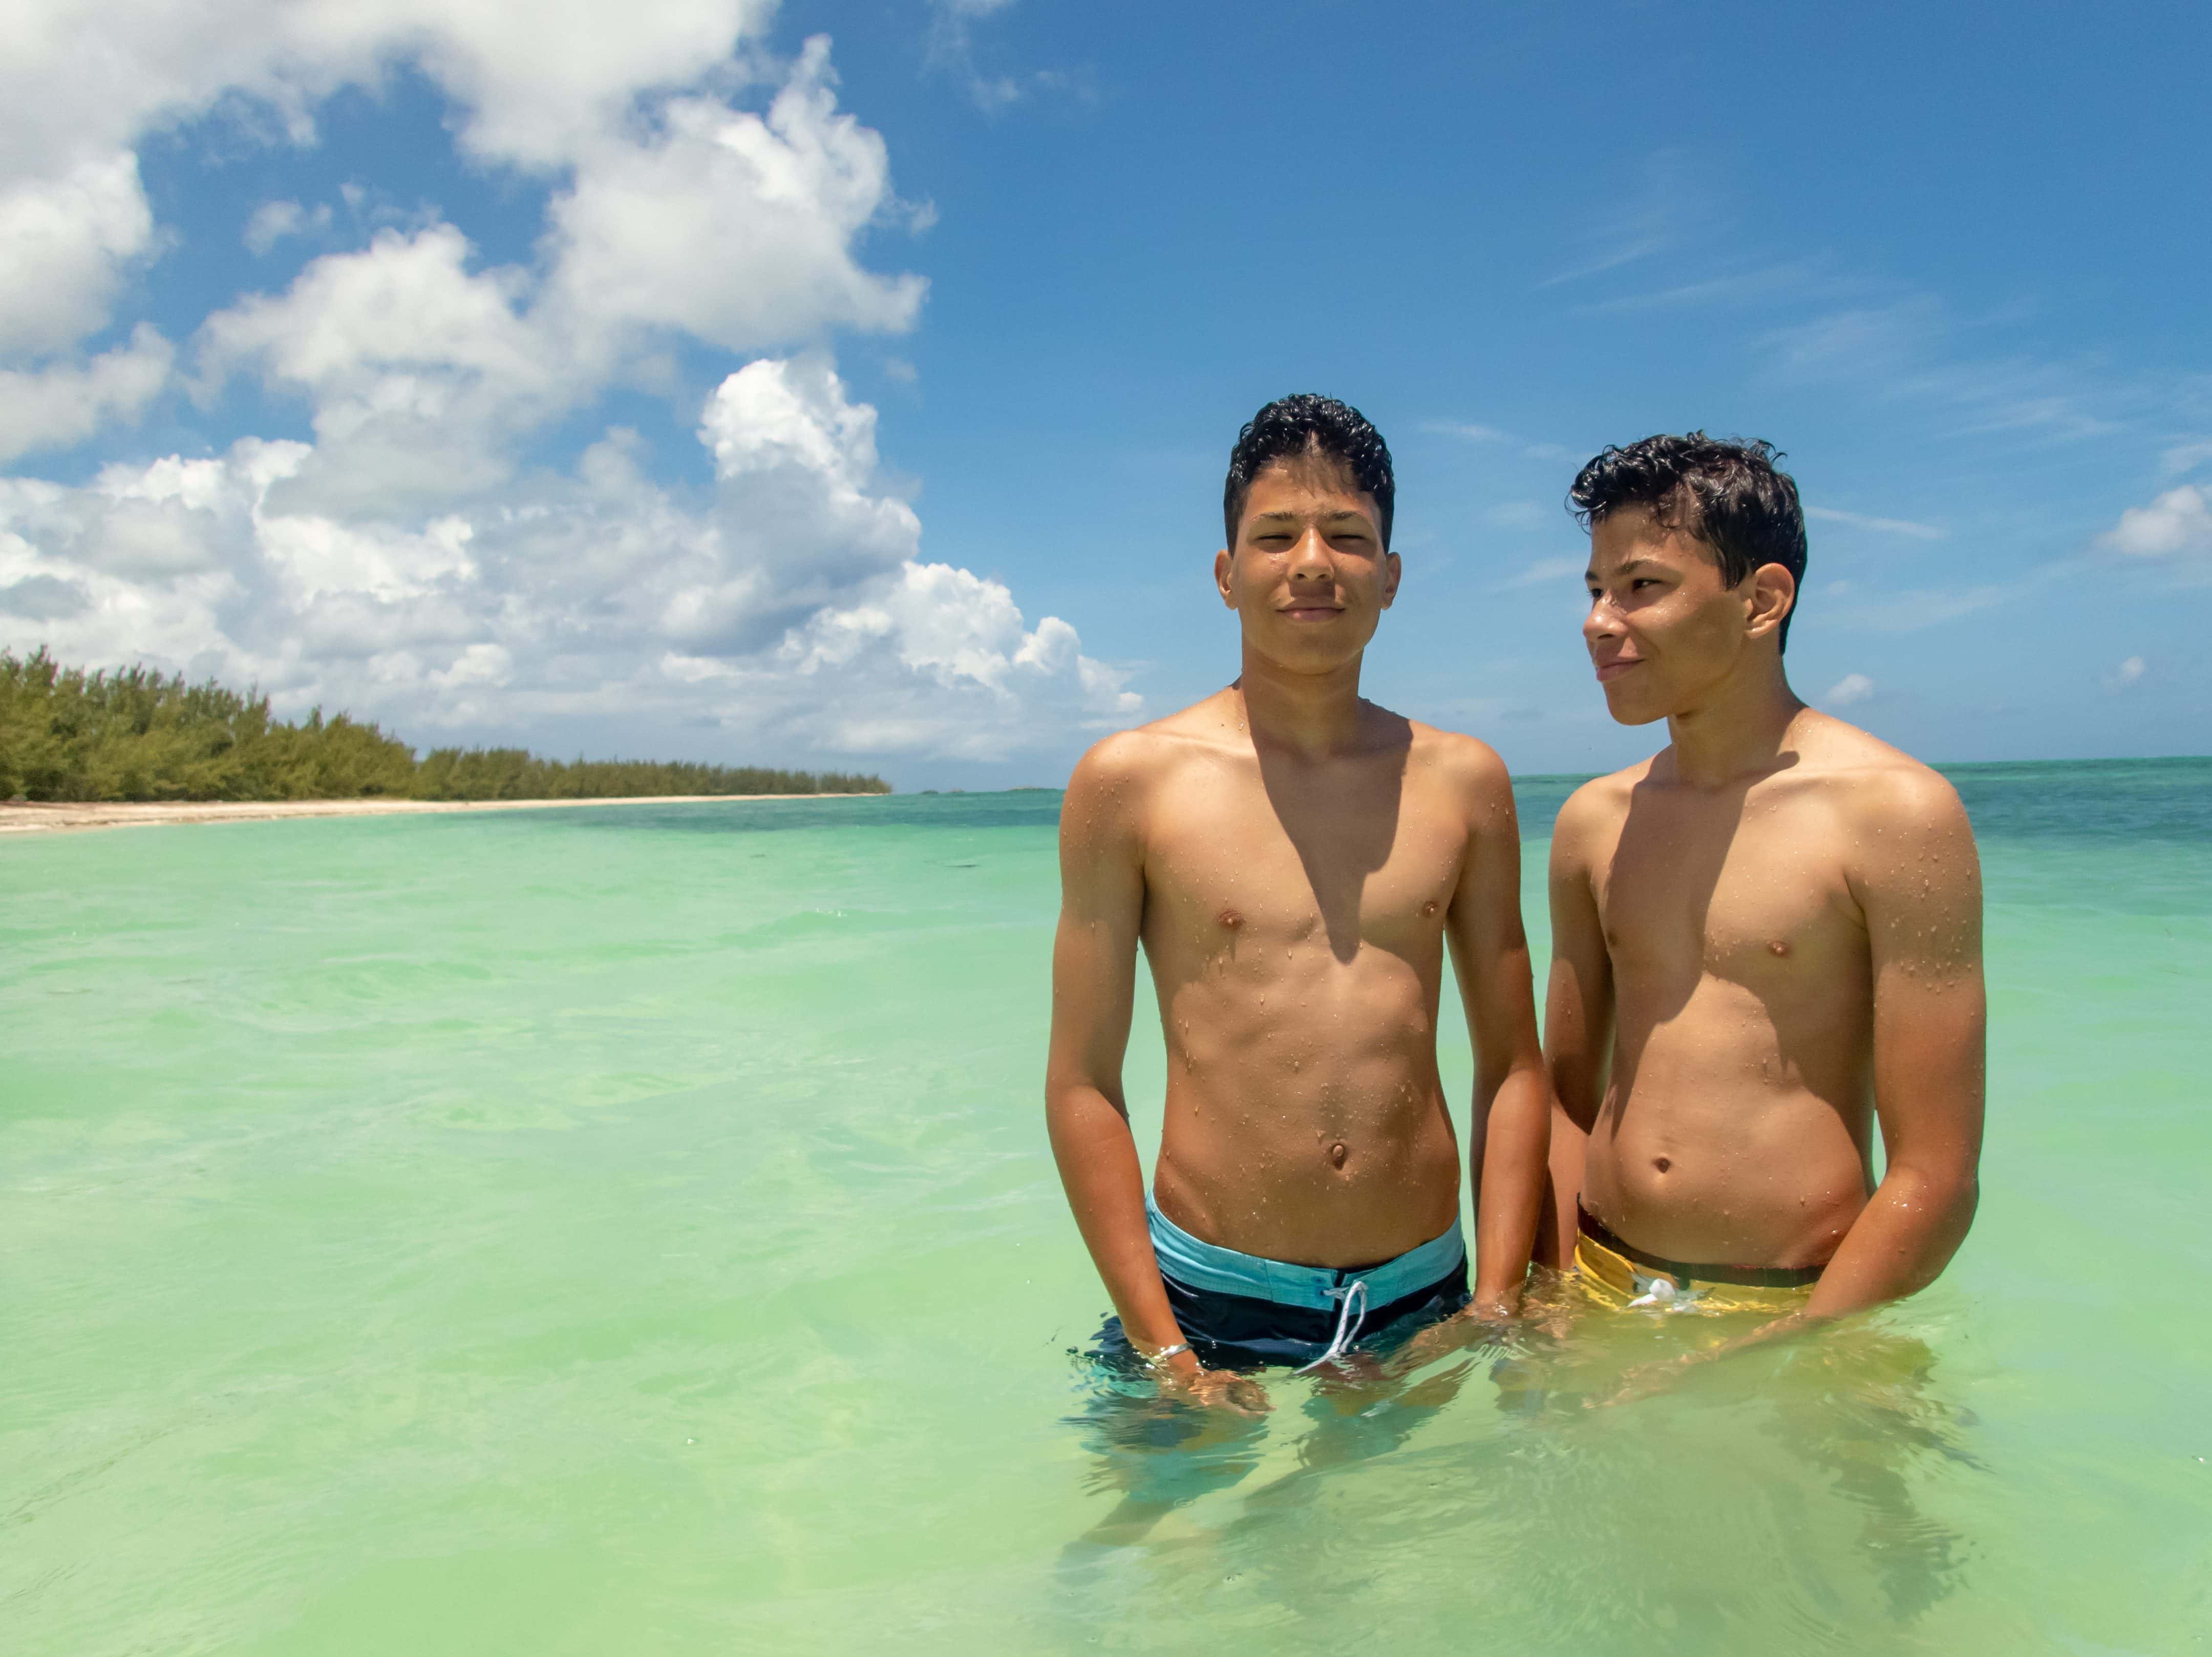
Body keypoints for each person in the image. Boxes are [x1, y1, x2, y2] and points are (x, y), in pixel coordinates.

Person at [1046, 393, 1551, 1410]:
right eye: (1276, 535)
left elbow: (1513, 1063)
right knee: (1165, 1563)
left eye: (1348, 537)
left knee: (1421, 1563)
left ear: (1392, 576)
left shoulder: (1464, 782)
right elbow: (1083, 1084)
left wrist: (1497, 1299)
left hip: (1428, 1299)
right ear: (1228, 574)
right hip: (1204, 1305)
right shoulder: (1131, 780)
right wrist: (1166, 1357)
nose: (1313, 561)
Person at [1540, 433, 1984, 1365]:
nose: (1598, 621)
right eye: (1594, 589)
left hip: (1798, 1316)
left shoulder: (1895, 814)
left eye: (1641, 586)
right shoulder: (1595, 821)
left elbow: (1936, 1177)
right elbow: (1564, 1103)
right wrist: (1545, 1291)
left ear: (1763, 600)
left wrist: (1780, 1350)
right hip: (1598, 1288)